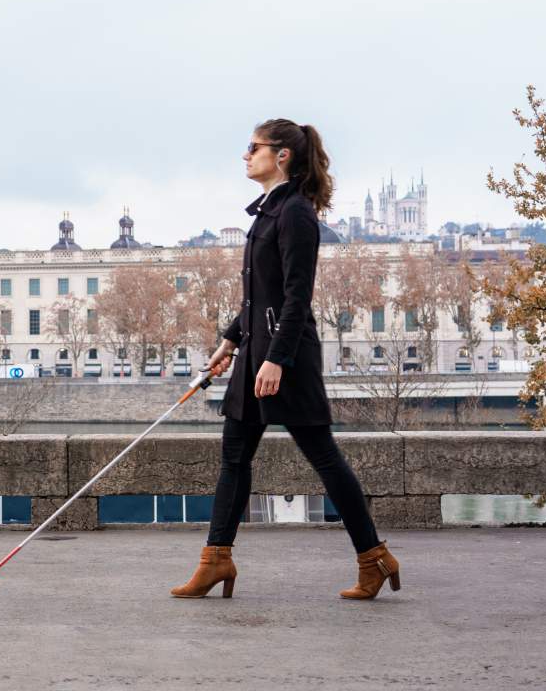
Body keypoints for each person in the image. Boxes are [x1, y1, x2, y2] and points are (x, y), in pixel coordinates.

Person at [170, 119, 401, 601]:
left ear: (282, 156)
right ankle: (216, 561)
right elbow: (261, 297)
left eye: (253, 147)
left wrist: (276, 360)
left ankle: (373, 558)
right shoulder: (268, 212)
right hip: (256, 352)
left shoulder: (296, 213)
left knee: (324, 458)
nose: (245, 155)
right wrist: (231, 341)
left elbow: (297, 298)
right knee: (234, 458)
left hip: (285, 359)